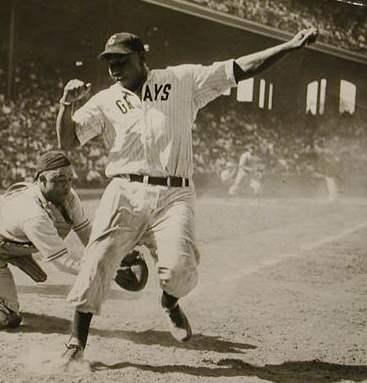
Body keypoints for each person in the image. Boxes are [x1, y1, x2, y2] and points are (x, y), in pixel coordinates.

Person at [56, 28, 317, 363]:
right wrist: (66, 104)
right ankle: (76, 343)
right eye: (110, 62)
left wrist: (290, 46)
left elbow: (238, 69)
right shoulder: (105, 99)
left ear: (142, 58)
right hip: (124, 190)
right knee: (98, 257)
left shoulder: (182, 80)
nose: (114, 68)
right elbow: (68, 142)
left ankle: (169, 302)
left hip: (173, 194)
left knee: (179, 270)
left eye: (122, 60)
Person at [0, 151, 148, 330]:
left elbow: (86, 231)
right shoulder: (33, 213)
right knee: (6, 315)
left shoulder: (68, 196)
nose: (66, 186)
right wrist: (108, 270)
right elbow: (62, 262)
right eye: (58, 180)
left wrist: (113, 256)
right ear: (41, 180)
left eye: (69, 179)